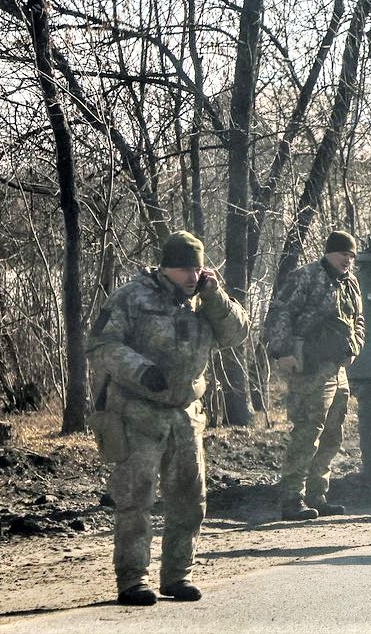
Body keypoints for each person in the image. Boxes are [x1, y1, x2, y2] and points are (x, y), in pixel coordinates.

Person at [86, 231, 250, 605]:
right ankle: (132, 580)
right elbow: (102, 345)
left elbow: (237, 333)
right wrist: (141, 370)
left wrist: (215, 297)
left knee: (191, 499)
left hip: (185, 414)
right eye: (183, 269)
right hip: (136, 411)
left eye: (196, 267)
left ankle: (178, 575)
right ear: (165, 268)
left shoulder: (206, 300)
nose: (191, 276)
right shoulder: (132, 296)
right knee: (136, 498)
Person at [263, 230, 366, 520]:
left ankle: (317, 495)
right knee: (308, 432)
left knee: (333, 434)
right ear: (329, 253)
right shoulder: (304, 277)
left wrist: (355, 346)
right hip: (308, 368)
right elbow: (280, 312)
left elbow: (358, 320)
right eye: (343, 253)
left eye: (352, 255)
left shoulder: (351, 284)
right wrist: (283, 352)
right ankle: (292, 498)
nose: (348, 259)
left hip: (337, 369)